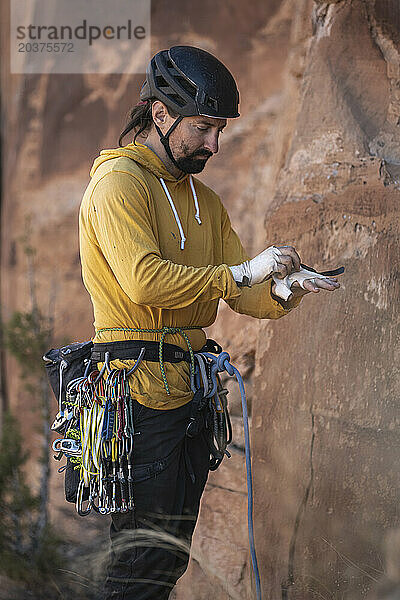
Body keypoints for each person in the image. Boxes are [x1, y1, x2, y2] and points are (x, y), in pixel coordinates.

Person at [79, 45, 340, 600]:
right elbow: (144, 282)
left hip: (187, 394)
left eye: (219, 129)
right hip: (135, 393)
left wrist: (287, 288)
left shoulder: (206, 202)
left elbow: (244, 296)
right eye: (203, 128)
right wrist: (242, 272)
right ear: (160, 115)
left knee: (168, 556)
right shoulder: (119, 184)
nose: (214, 145)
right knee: (138, 561)